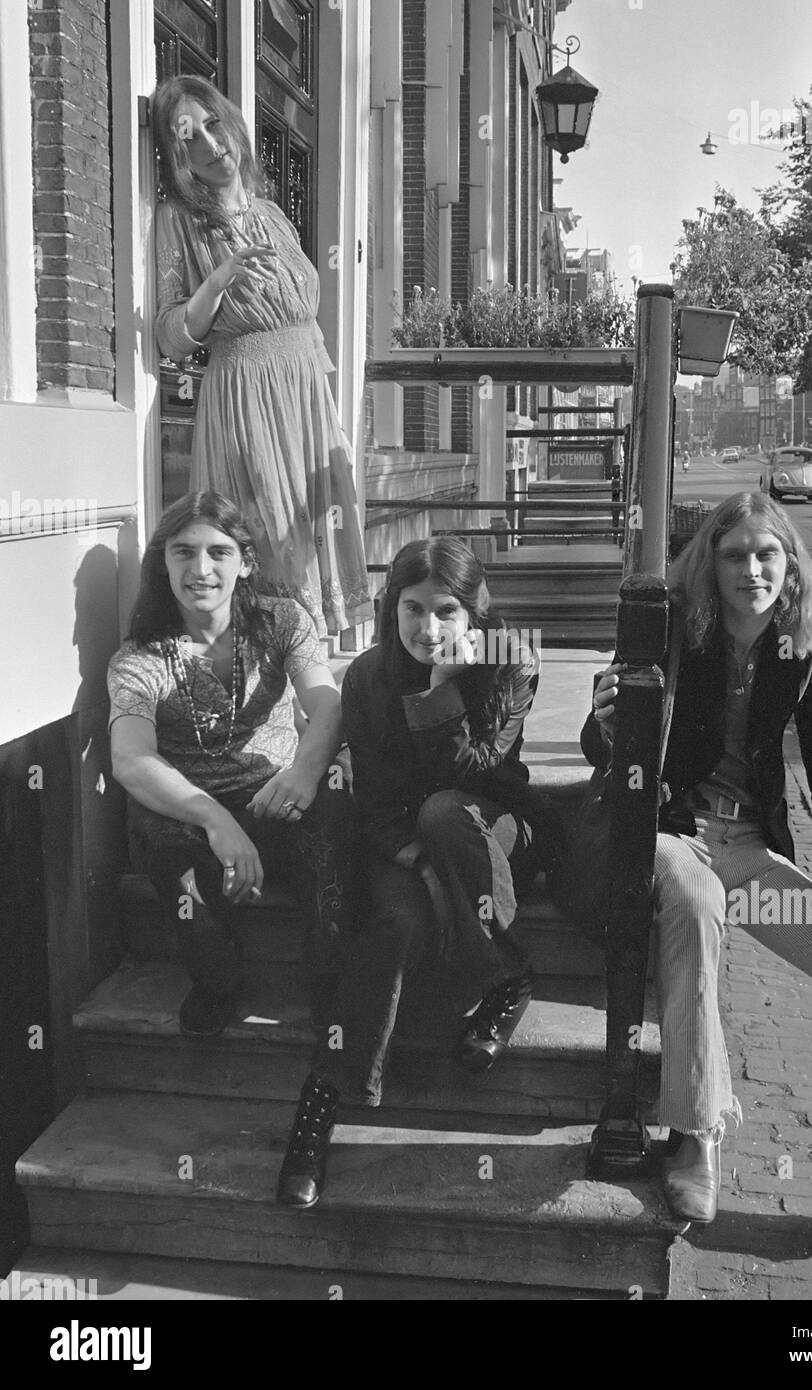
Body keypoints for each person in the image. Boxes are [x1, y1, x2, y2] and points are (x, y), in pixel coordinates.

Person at [583, 491, 812, 1286]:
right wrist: (604, 720)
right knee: (696, 901)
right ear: (709, 566)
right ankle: (696, 1132)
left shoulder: (806, 649)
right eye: (734, 555)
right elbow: (603, 743)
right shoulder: (675, 629)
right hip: (671, 834)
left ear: (789, 568)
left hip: (749, 858)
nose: (751, 570)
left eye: (767, 555)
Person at [276, 537, 557, 1208]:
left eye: (445, 611)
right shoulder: (368, 678)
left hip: (491, 827)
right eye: (411, 609)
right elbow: (373, 807)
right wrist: (419, 868)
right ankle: (319, 1111)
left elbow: (481, 769)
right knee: (396, 921)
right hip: (401, 842)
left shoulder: (511, 661)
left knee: (442, 810)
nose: (428, 629)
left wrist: (439, 690)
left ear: (472, 614)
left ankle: (503, 979)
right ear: (390, 607)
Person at [107, 492, 351, 1038]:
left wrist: (305, 773)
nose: (201, 569)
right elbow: (130, 759)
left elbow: (327, 703)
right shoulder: (139, 659)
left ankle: (331, 983)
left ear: (245, 563)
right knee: (177, 862)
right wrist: (217, 821)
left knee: (330, 837)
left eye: (219, 552)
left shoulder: (284, 621)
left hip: (277, 790)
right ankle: (219, 979)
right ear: (162, 562)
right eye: (183, 552)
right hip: (188, 812)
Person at [150, 75, 371, 639]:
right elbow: (170, 334)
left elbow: (306, 324)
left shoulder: (273, 213)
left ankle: (306, 694)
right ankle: (267, 698)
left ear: (233, 125)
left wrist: (333, 425)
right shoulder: (180, 220)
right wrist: (217, 282)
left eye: (213, 124)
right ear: (179, 158)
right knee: (268, 542)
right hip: (246, 398)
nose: (209, 143)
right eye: (189, 138)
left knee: (313, 538)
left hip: (307, 402)